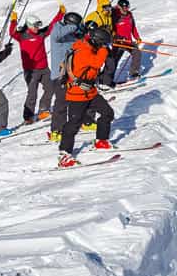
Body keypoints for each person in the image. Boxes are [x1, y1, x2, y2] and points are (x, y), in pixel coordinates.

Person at [57, 25, 116, 167]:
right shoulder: (83, 51)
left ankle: (101, 140)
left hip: (90, 92)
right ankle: (64, 154)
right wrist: (103, 49)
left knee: (107, 112)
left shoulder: (88, 47)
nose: (103, 46)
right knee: (73, 124)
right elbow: (97, 63)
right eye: (102, 44)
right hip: (77, 94)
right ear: (97, 42)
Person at [8, 11, 59, 125]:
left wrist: (60, 13)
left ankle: (43, 109)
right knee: (32, 94)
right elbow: (12, 33)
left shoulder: (41, 34)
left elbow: (51, 26)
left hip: (44, 68)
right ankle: (28, 117)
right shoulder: (22, 36)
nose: (37, 28)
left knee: (50, 88)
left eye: (38, 26)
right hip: (30, 70)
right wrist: (13, 20)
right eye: (35, 26)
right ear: (30, 25)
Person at [45, 10, 84, 142]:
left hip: (72, 74)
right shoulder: (57, 31)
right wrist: (74, 26)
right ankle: (56, 130)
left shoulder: (71, 36)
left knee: (77, 99)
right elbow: (56, 35)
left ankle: (81, 122)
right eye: (76, 25)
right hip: (60, 75)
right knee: (61, 103)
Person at [110, 0, 145, 85]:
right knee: (114, 60)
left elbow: (133, 28)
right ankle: (107, 79)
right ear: (119, 7)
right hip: (118, 42)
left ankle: (134, 73)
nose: (126, 9)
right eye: (124, 8)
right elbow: (111, 29)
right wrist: (115, 37)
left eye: (127, 7)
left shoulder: (129, 15)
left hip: (128, 41)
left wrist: (137, 37)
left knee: (137, 52)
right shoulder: (115, 16)